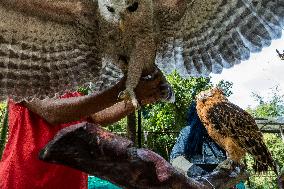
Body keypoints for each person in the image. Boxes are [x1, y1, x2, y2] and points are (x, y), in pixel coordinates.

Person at [0, 69, 171, 189]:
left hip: (69, 183)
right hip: (23, 181)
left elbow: (98, 116)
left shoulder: (68, 89)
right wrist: (121, 88)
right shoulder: (19, 77)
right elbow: (51, 112)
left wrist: (137, 99)